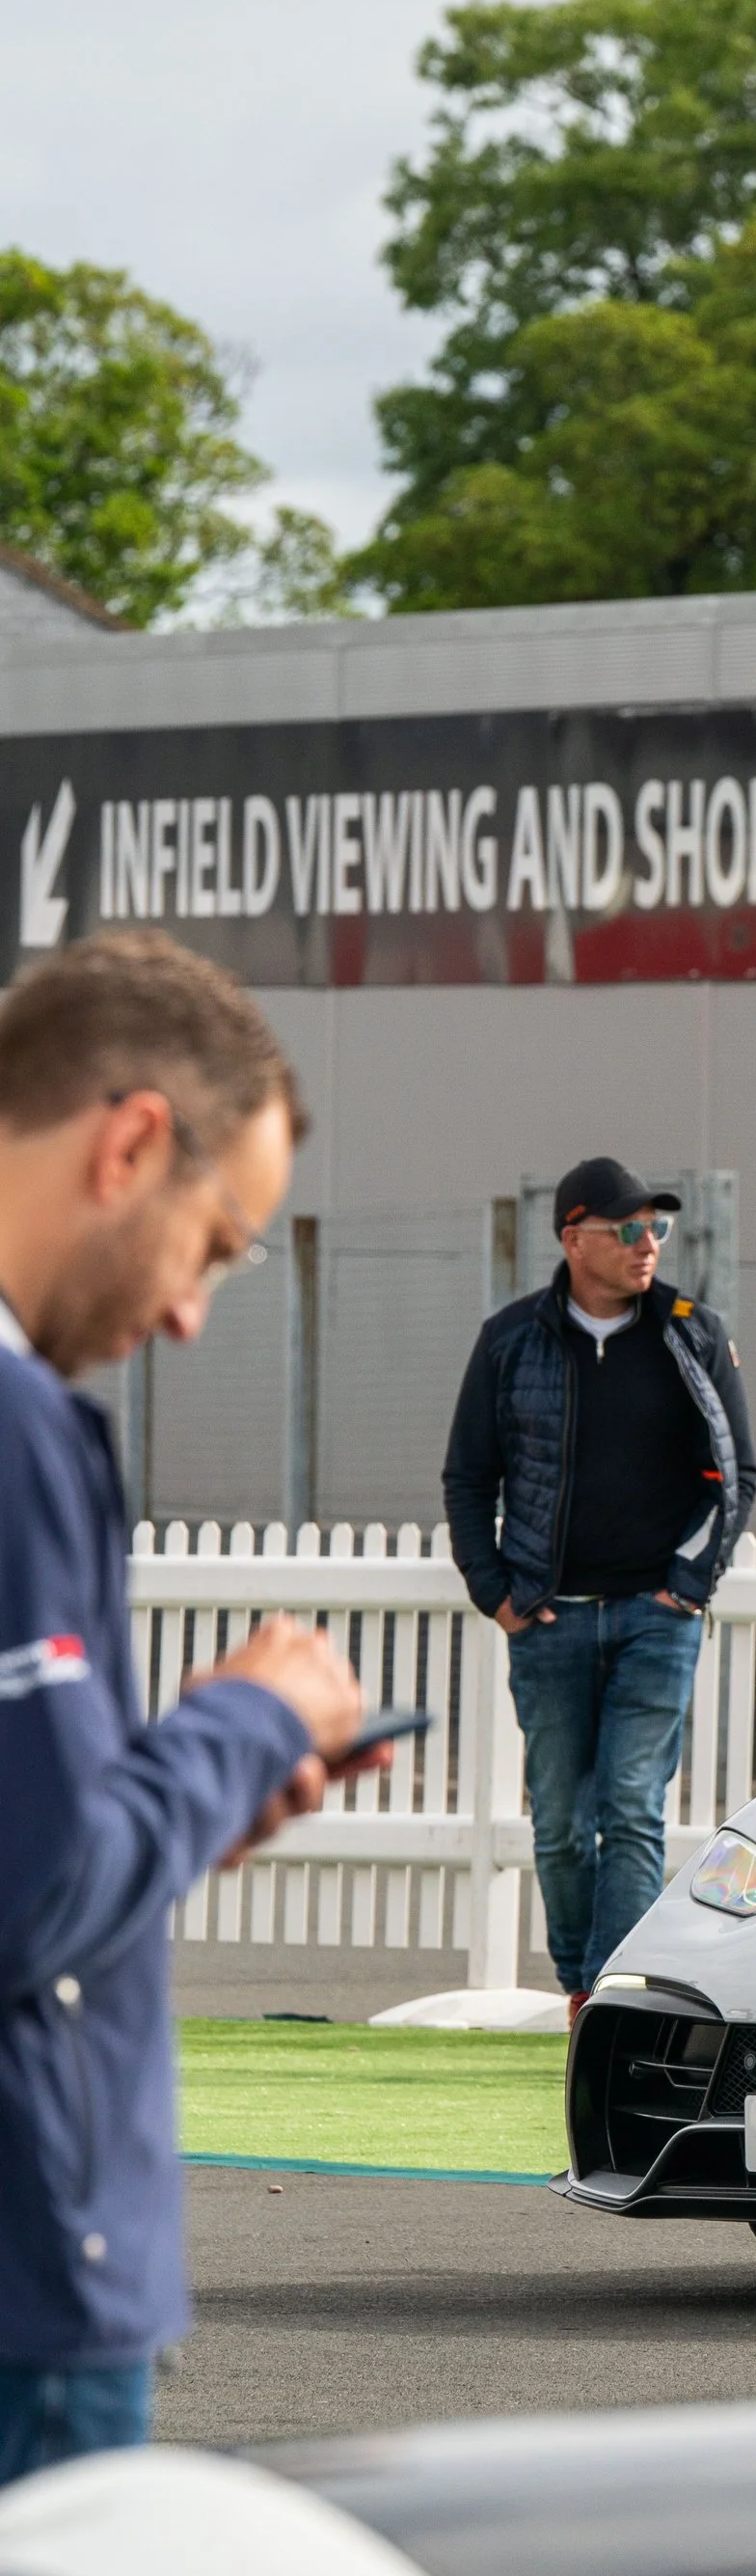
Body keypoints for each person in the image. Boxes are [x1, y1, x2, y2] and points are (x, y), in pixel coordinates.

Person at [0, 933, 376, 2481]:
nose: (191, 1314)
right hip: (33, 2277)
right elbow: (38, 1889)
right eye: (216, 1244)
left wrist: (186, 1779)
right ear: (134, 1140)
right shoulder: (21, 1427)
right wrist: (250, 1729)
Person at [444, 1157, 756, 2009]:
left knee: (631, 1807)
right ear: (573, 1238)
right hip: (548, 1622)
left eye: (655, 1227)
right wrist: (496, 1593)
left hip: (658, 1619)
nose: (646, 1243)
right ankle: (579, 1979)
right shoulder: (510, 1340)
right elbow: (469, 1478)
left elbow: (736, 1473)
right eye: (626, 1229)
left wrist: (691, 1584)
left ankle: (610, 2000)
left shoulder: (693, 1332)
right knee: (557, 1823)